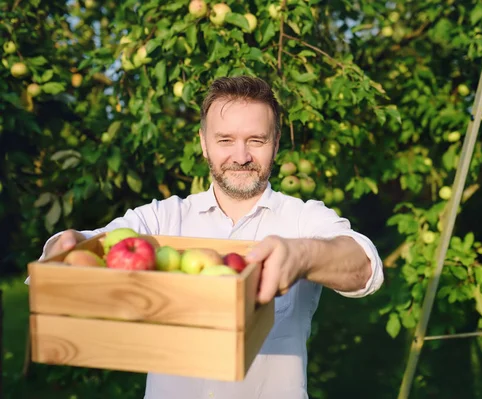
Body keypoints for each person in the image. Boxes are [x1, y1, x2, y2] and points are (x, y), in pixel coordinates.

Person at [31, 75, 384, 399]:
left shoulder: (302, 219)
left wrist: (303, 256)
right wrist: (69, 248)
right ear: (203, 143)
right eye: (225, 140)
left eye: (256, 140)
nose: (241, 156)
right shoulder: (161, 219)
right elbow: (94, 246)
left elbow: (365, 269)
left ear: (275, 144)